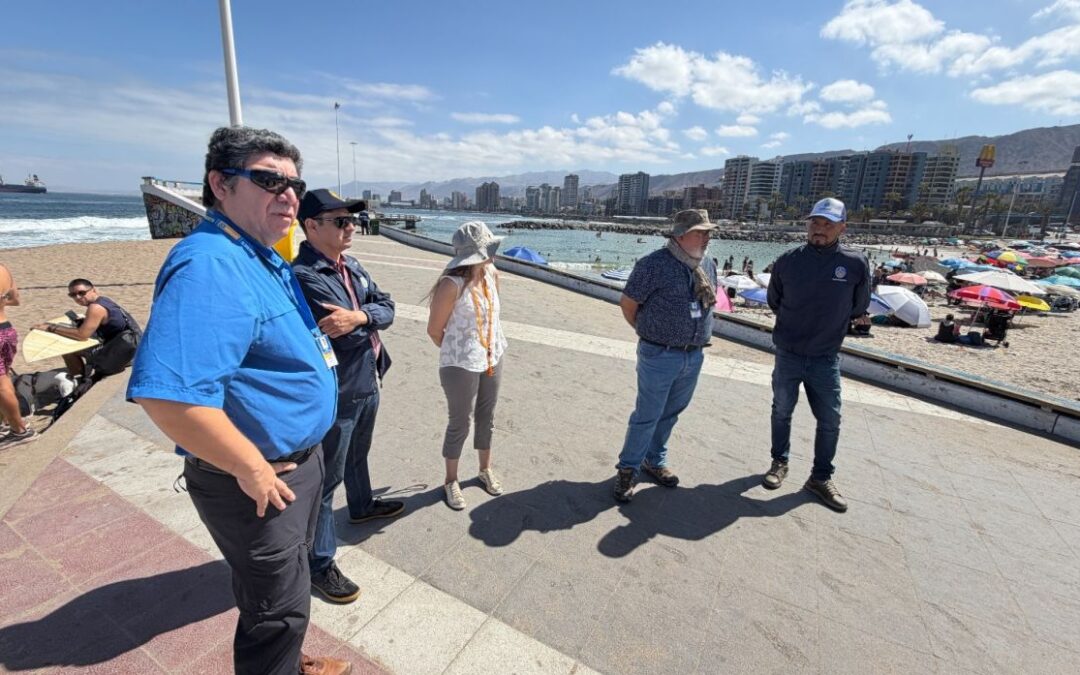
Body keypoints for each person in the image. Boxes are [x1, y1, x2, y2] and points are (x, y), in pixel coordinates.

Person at [127, 126, 350, 675]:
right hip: (259, 479)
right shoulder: (211, 264)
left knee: (286, 587)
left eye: (295, 183)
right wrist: (250, 467)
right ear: (220, 185)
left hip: (297, 460)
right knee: (276, 611)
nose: (289, 194)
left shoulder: (259, 253)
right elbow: (170, 399)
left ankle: (291, 665)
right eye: (269, 179)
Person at [293, 189, 402, 604]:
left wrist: (362, 315)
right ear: (312, 227)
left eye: (351, 220)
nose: (351, 226)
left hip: (368, 378)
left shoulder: (350, 266)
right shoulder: (304, 276)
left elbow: (386, 307)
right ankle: (320, 563)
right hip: (337, 391)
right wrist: (366, 319)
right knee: (326, 479)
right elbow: (345, 331)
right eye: (340, 221)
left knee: (359, 454)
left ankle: (362, 505)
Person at [763, 198, 870, 513]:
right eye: (815, 223)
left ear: (842, 227)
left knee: (830, 420)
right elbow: (775, 300)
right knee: (781, 411)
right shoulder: (787, 261)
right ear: (806, 225)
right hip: (788, 353)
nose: (819, 230)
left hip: (825, 358)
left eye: (827, 224)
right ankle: (779, 463)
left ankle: (820, 478)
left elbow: (858, 306)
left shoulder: (855, 264)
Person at [613, 209, 718, 502]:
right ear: (680, 234)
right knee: (647, 415)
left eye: (709, 231)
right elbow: (628, 304)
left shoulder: (707, 264)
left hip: (694, 355)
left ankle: (654, 461)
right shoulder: (653, 265)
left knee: (671, 413)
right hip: (659, 354)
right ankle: (628, 469)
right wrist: (648, 333)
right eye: (701, 232)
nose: (707, 237)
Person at [426, 221, 508, 511]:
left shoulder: (492, 274)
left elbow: (493, 319)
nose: (493, 254)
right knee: (460, 422)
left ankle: (484, 470)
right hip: (460, 364)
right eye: (488, 250)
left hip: (493, 355)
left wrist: (485, 349)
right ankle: (451, 480)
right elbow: (435, 330)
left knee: (487, 416)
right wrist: (460, 353)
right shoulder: (451, 285)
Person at [32, 279, 141, 380]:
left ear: (93, 290)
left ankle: (78, 380)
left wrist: (51, 327)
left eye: (81, 293)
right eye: (73, 295)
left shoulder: (95, 308)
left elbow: (82, 335)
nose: (78, 297)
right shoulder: (104, 301)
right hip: (132, 345)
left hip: (125, 353)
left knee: (69, 351)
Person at [0, 263, 37, 447]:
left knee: (2, 386)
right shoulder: (3, 269)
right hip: (6, 330)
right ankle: (6, 423)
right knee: (4, 380)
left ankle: (19, 431)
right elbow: (15, 299)